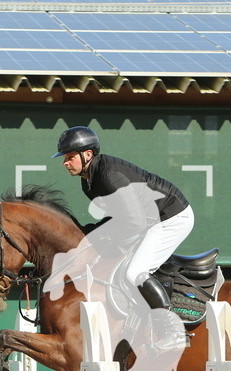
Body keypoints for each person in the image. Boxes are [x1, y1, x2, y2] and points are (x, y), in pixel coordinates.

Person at [52, 126, 194, 336]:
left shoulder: (108, 175)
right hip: (149, 220)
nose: (65, 162)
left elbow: (134, 222)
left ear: (88, 154)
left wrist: (103, 238)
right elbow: (119, 217)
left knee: (135, 273)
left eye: (70, 156)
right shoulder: (88, 181)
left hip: (171, 217)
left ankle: (171, 328)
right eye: (65, 157)